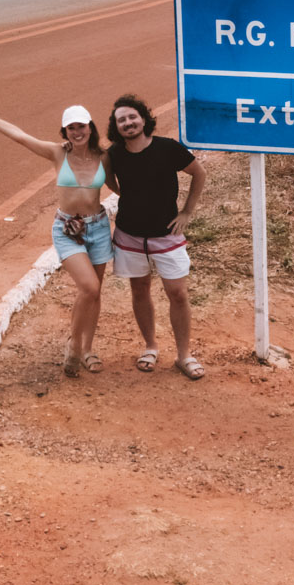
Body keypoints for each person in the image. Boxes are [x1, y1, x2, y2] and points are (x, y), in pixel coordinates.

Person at [0, 95, 115, 377]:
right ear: (64, 132)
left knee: (94, 294)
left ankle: (88, 349)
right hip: (67, 230)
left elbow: (124, 185)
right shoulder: (58, 153)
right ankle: (74, 345)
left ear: (91, 127)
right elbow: (19, 136)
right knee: (89, 287)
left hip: (98, 228)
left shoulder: (104, 157)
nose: (77, 133)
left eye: (81, 126)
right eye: (71, 129)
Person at [106, 94, 207, 380]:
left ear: (143, 118)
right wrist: (124, 194)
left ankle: (183, 355)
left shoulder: (168, 148)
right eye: (121, 120)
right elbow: (107, 176)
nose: (128, 123)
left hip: (167, 235)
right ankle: (150, 346)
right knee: (139, 289)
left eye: (132, 117)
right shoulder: (114, 154)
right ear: (116, 127)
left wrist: (187, 212)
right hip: (129, 236)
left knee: (177, 293)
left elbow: (199, 173)